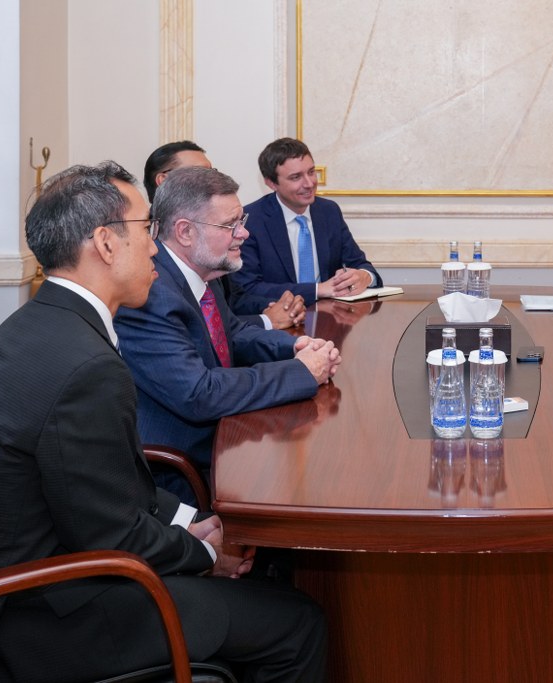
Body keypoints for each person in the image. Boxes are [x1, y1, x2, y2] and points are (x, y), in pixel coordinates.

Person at [0, 162, 327, 682]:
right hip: (58, 608)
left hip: (18, 581)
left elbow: (99, 488)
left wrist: (185, 523)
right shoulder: (86, 366)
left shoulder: (33, 324)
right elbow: (111, 533)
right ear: (105, 244)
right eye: (146, 228)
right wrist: (204, 552)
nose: (154, 246)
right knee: (299, 622)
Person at [114, 166, 342, 501]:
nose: (244, 233)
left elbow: (231, 333)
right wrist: (301, 372)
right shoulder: (152, 294)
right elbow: (199, 393)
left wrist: (294, 346)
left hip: (226, 438)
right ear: (185, 232)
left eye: (241, 220)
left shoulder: (205, 272)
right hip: (182, 474)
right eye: (230, 225)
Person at [143, 140, 306, 329]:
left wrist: (283, 308)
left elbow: (231, 303)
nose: (211, 179)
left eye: (212, 172)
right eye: (200, 173)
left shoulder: (209, 243)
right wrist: (268, 320)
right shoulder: (149, 257)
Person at [229, 137, 383, 314]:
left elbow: (360, 263)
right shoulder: (251, 220)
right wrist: (318, 290)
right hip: (280, 322)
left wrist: (365, 276)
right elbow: (248, 288)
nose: (309, 184)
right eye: (296, 177)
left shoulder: (329, 211)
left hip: (330, 318)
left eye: (311, 172)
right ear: (271, 183)